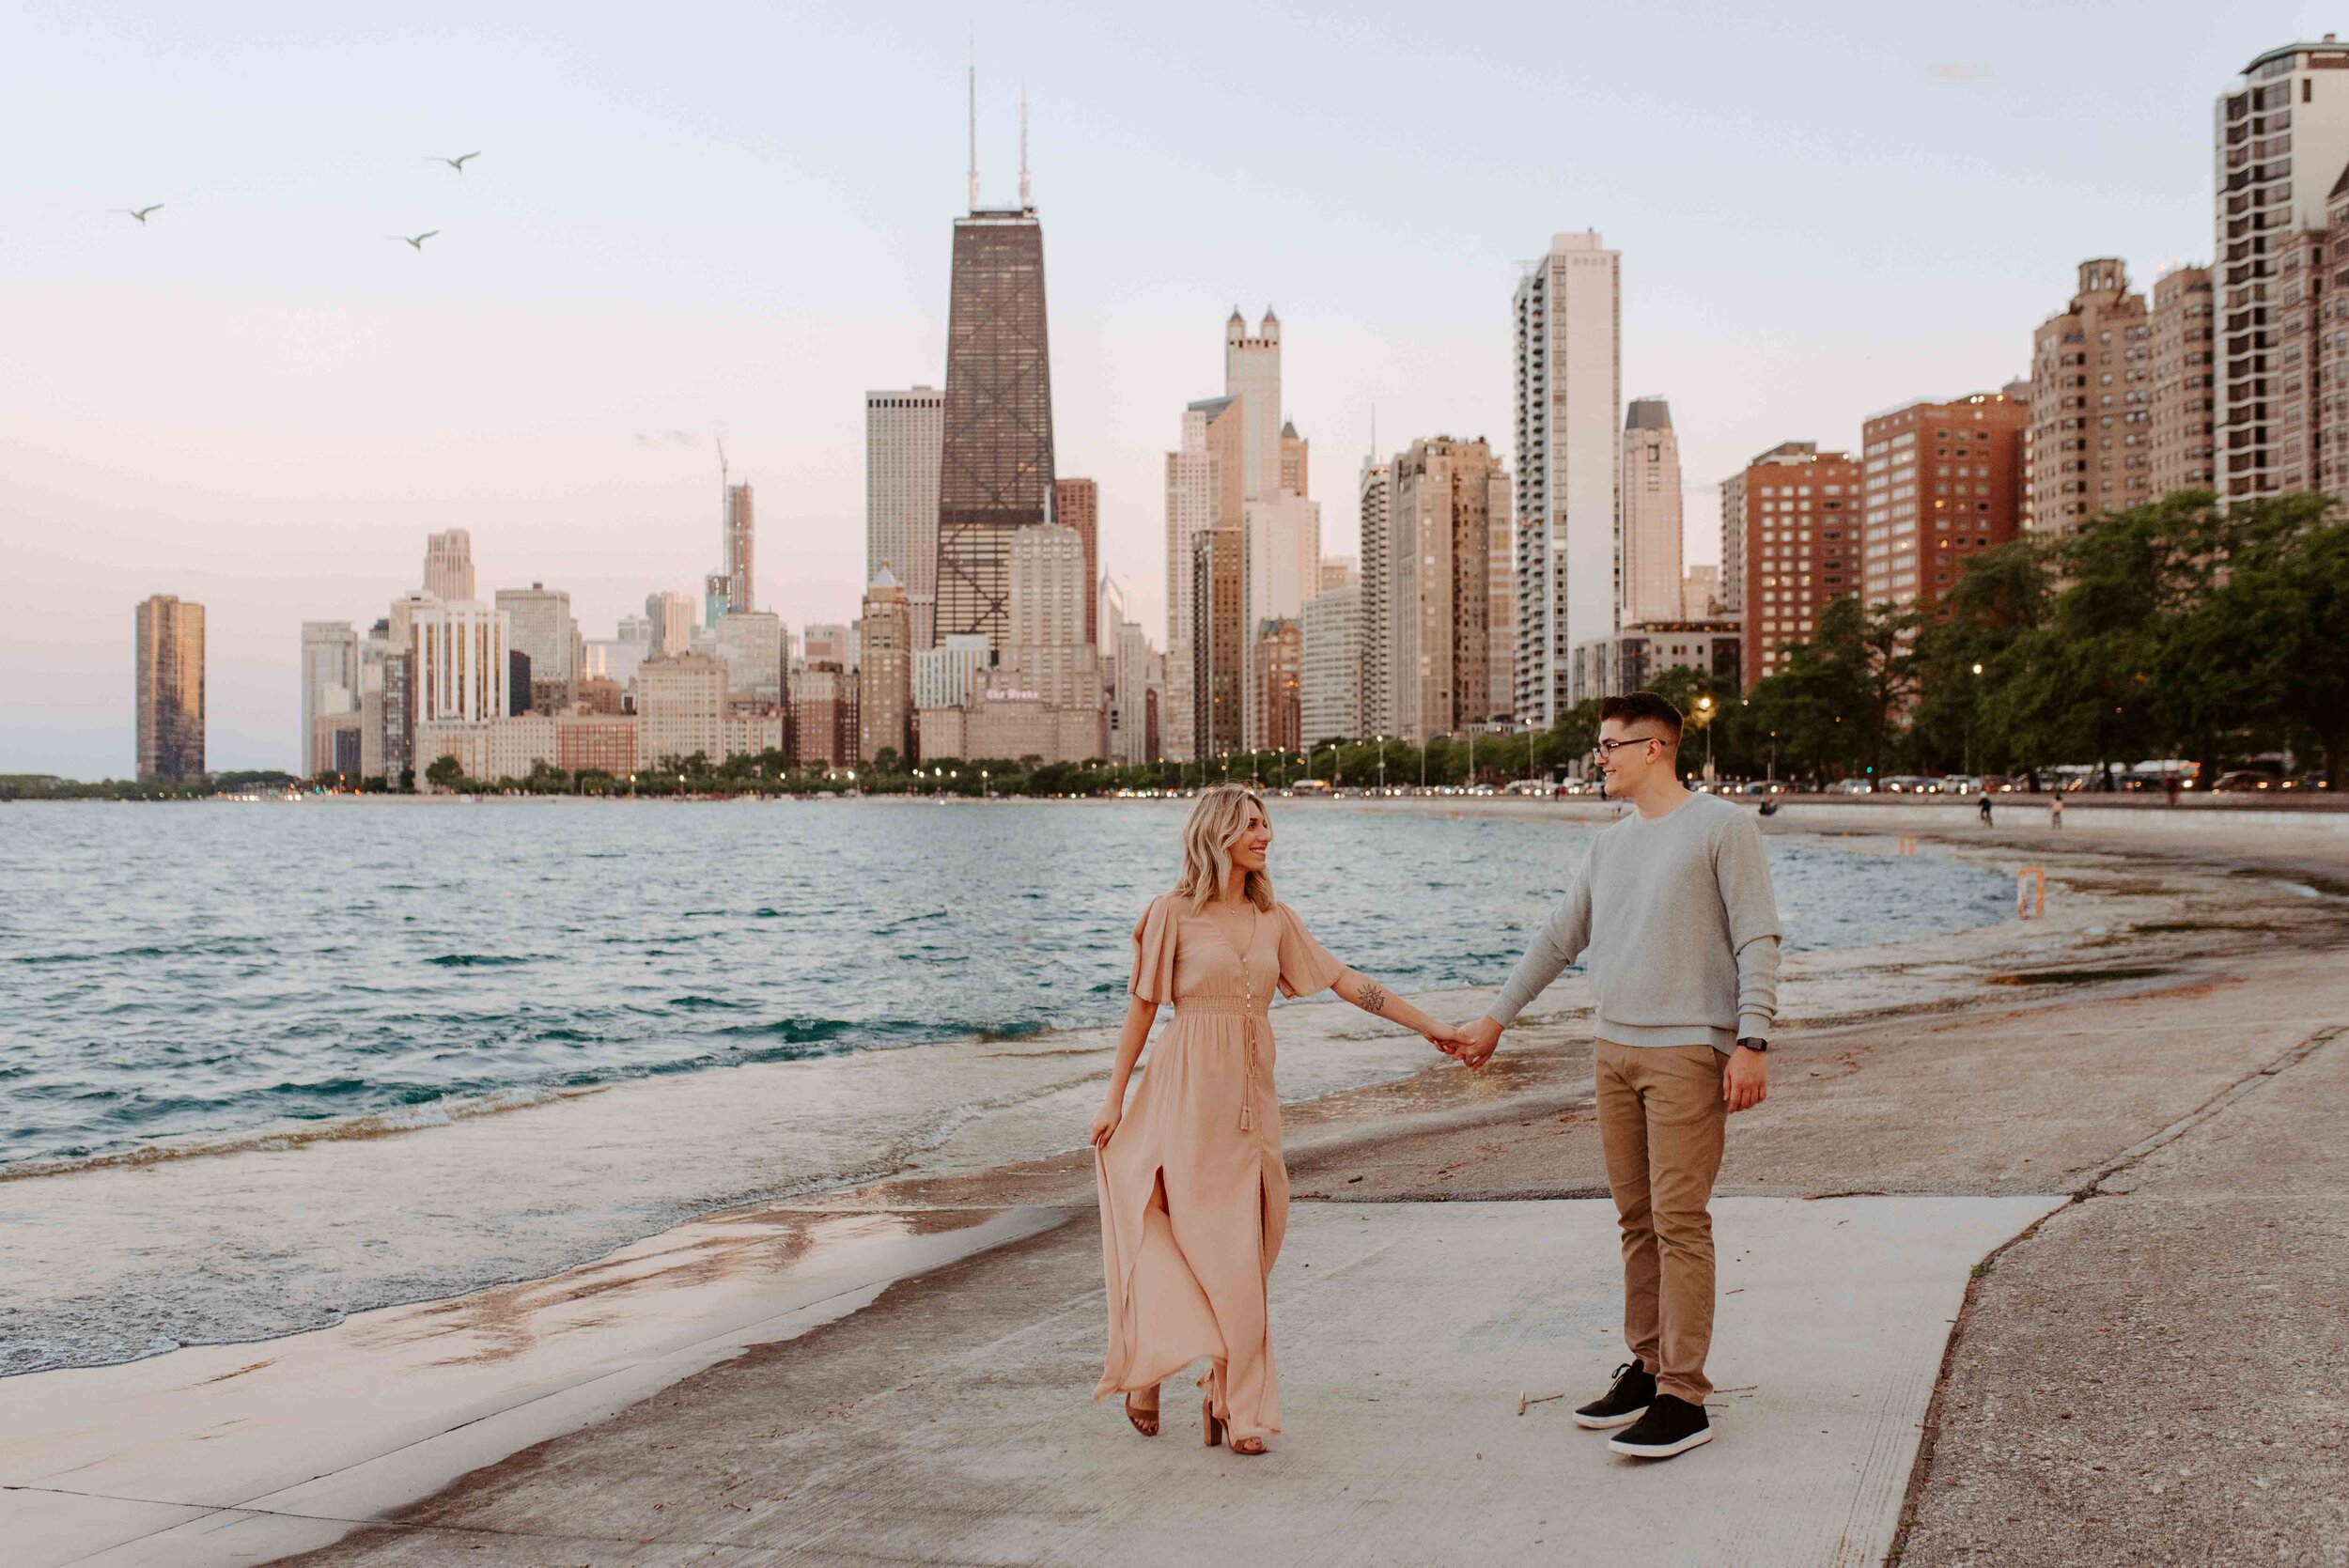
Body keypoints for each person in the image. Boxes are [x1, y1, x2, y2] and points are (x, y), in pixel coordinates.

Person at [1091, 784, 1468, 1455]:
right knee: (1185, 1237)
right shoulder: (1170, 913)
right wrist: (1113, 1096)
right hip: (1185, 1095)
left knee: (1254, 1243)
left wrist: (1430, 1026)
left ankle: (1217, 1386)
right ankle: (1210, 1394)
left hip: (1252, 1102)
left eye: (1267, 822)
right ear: (1217, 834)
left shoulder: (1275, 919)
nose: (1266, 834)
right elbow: (1144, 1009)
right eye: (1252, 824)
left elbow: (1347, 980)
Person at [1452, 692, 1779, 1461]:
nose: (1599, 758)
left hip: (1688, 1052)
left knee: (1680, 1219)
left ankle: (1685, 1396)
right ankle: (1649, 1364)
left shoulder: (1723, 827)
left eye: (1608, 745)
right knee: (1636, 1219)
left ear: (1655, 746)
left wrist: (1754, 1040)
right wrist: (1496, 1018)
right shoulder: (1610, 845)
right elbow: (1559, 937)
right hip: (1614, 1049)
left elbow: (1758, 937)